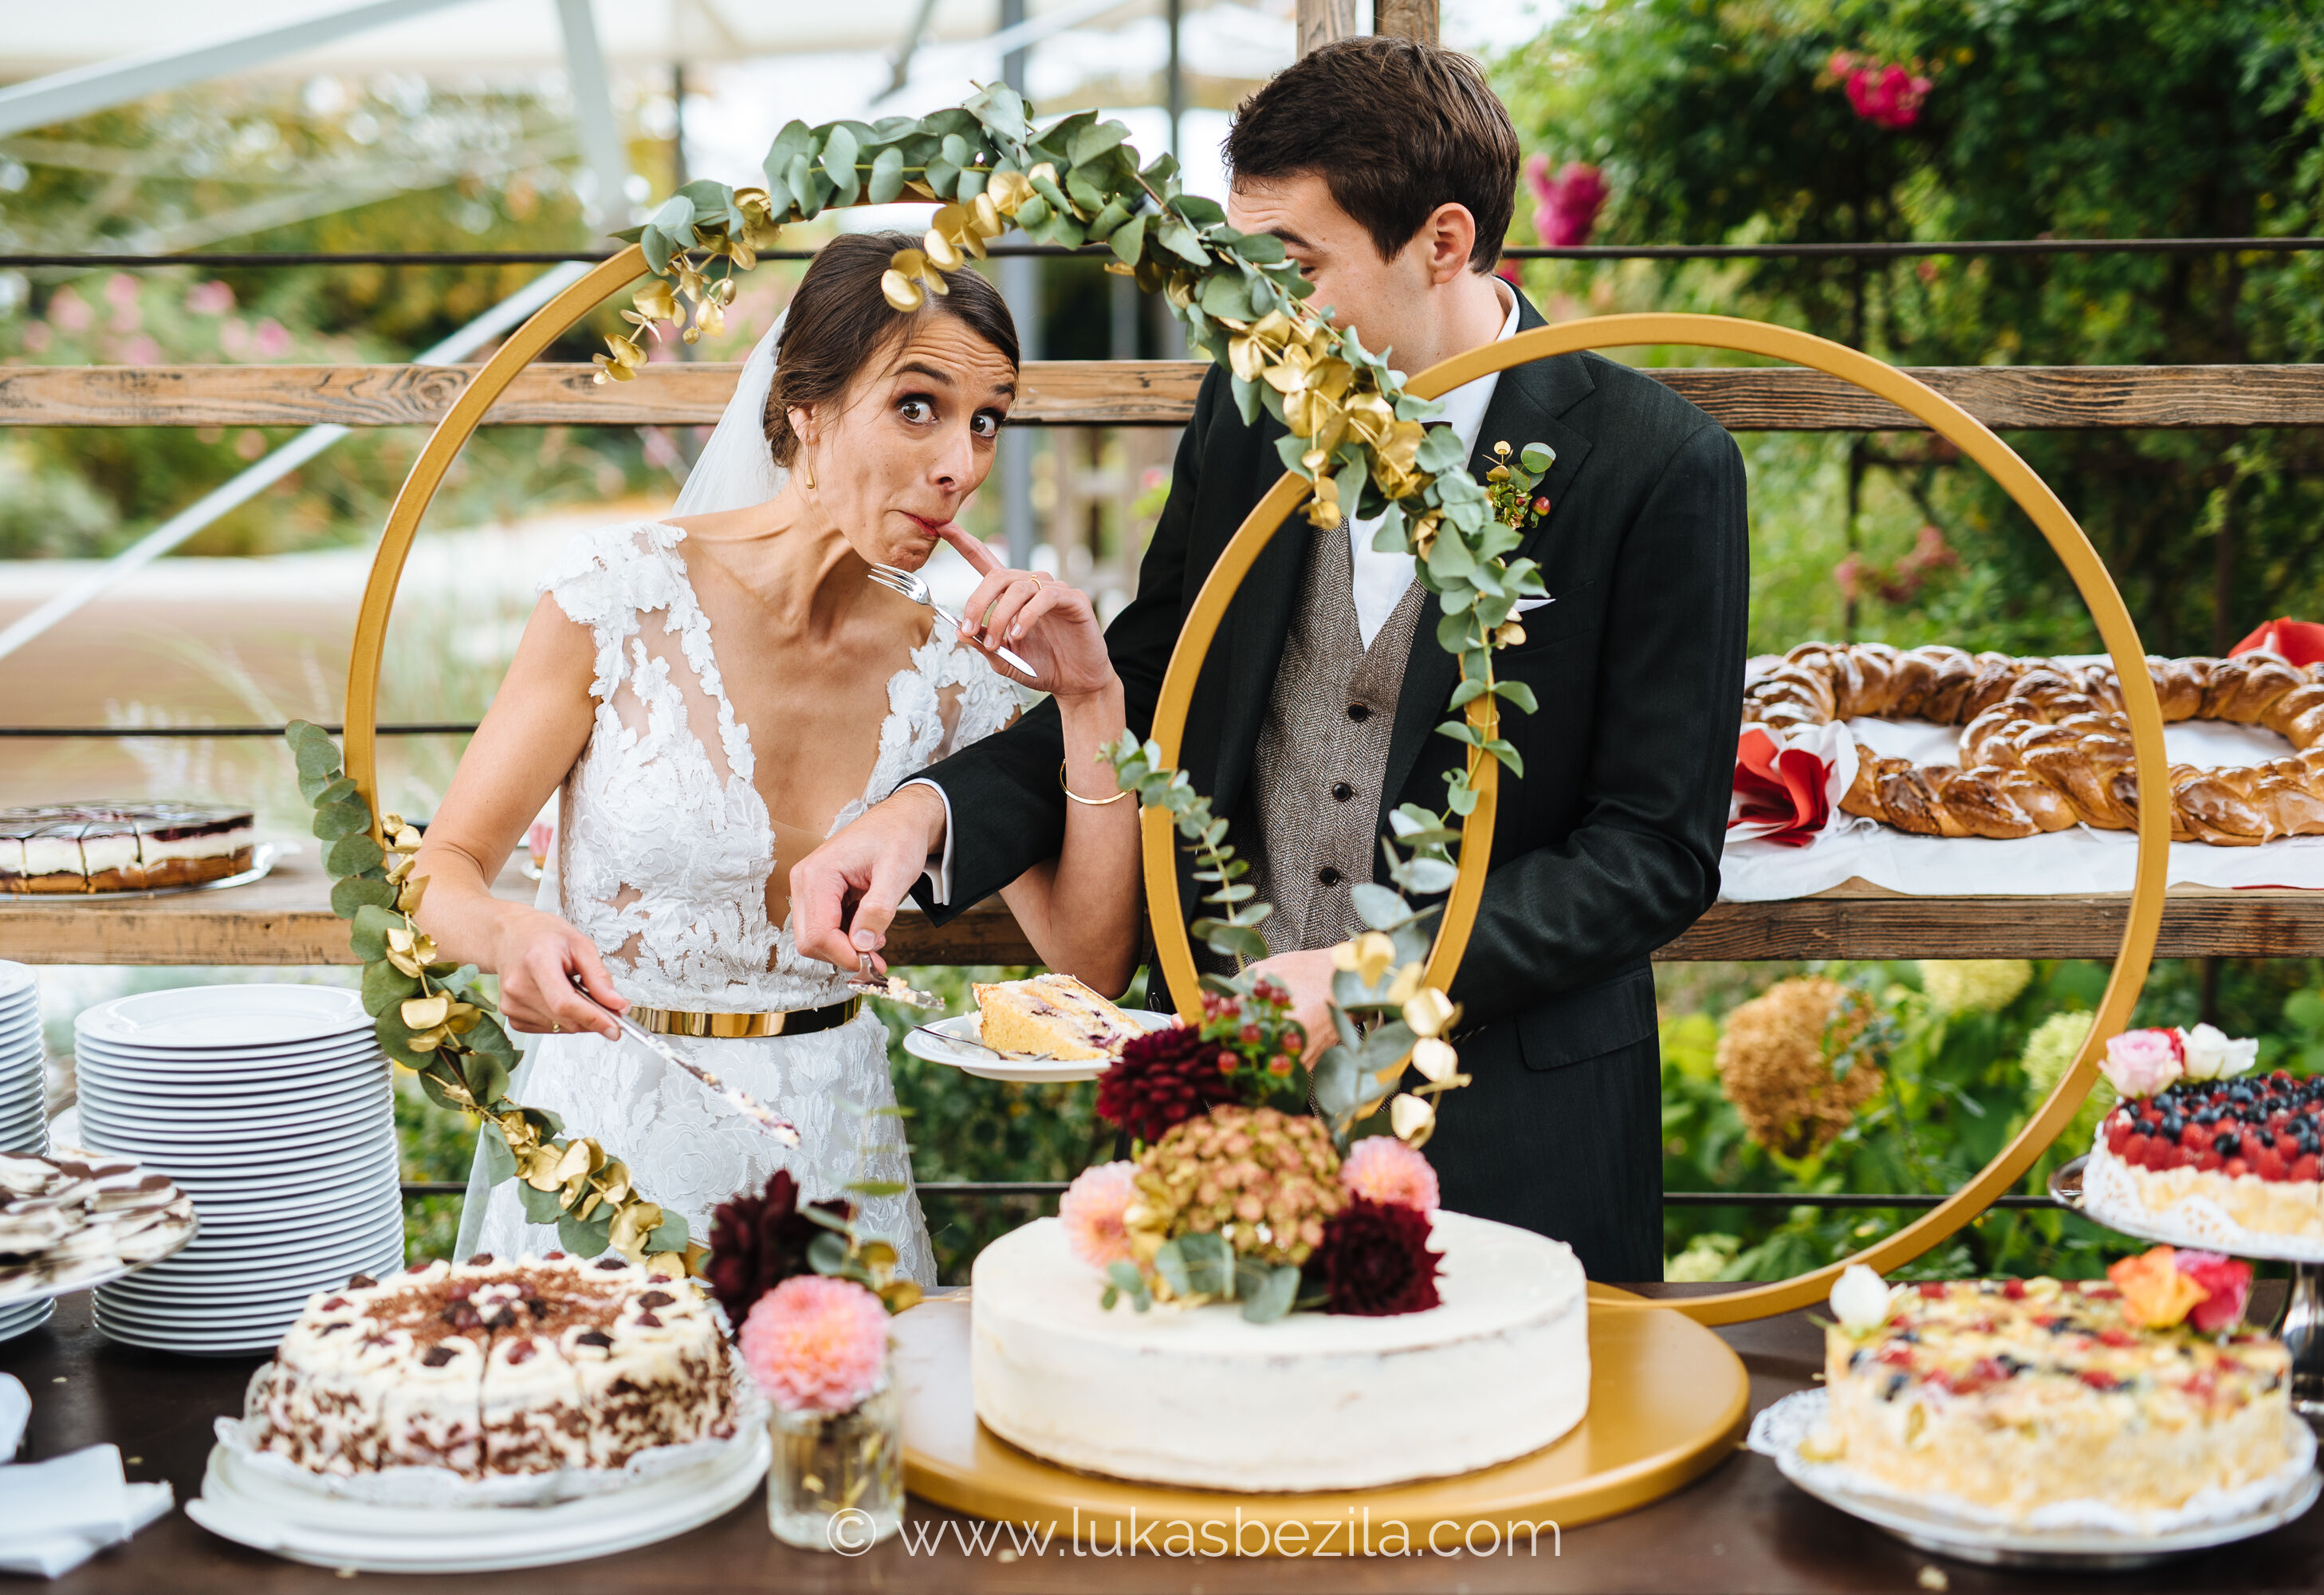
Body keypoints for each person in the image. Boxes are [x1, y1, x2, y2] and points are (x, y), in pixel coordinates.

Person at [792, 40, 1750, 1281]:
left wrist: (1373, 979)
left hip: (1516, 1128)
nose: (1260, 312)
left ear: (1444, 243)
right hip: (1227, 1115)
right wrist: (929, 811)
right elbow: (1152, 679)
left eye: (1293, 269)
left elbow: (1653, 855)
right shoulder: (1248, 410)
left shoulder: (1657, 466)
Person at [421, 232, 1139, 1282]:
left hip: (836, 1174)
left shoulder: (958, 672)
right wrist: (508, 932)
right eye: (916, 406)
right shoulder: (619, 598)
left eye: (987, 422)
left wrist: (1088, 697)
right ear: (805, 407)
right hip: (605, 1168)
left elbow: (1088, 962)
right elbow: (438, 872)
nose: (960, 464)